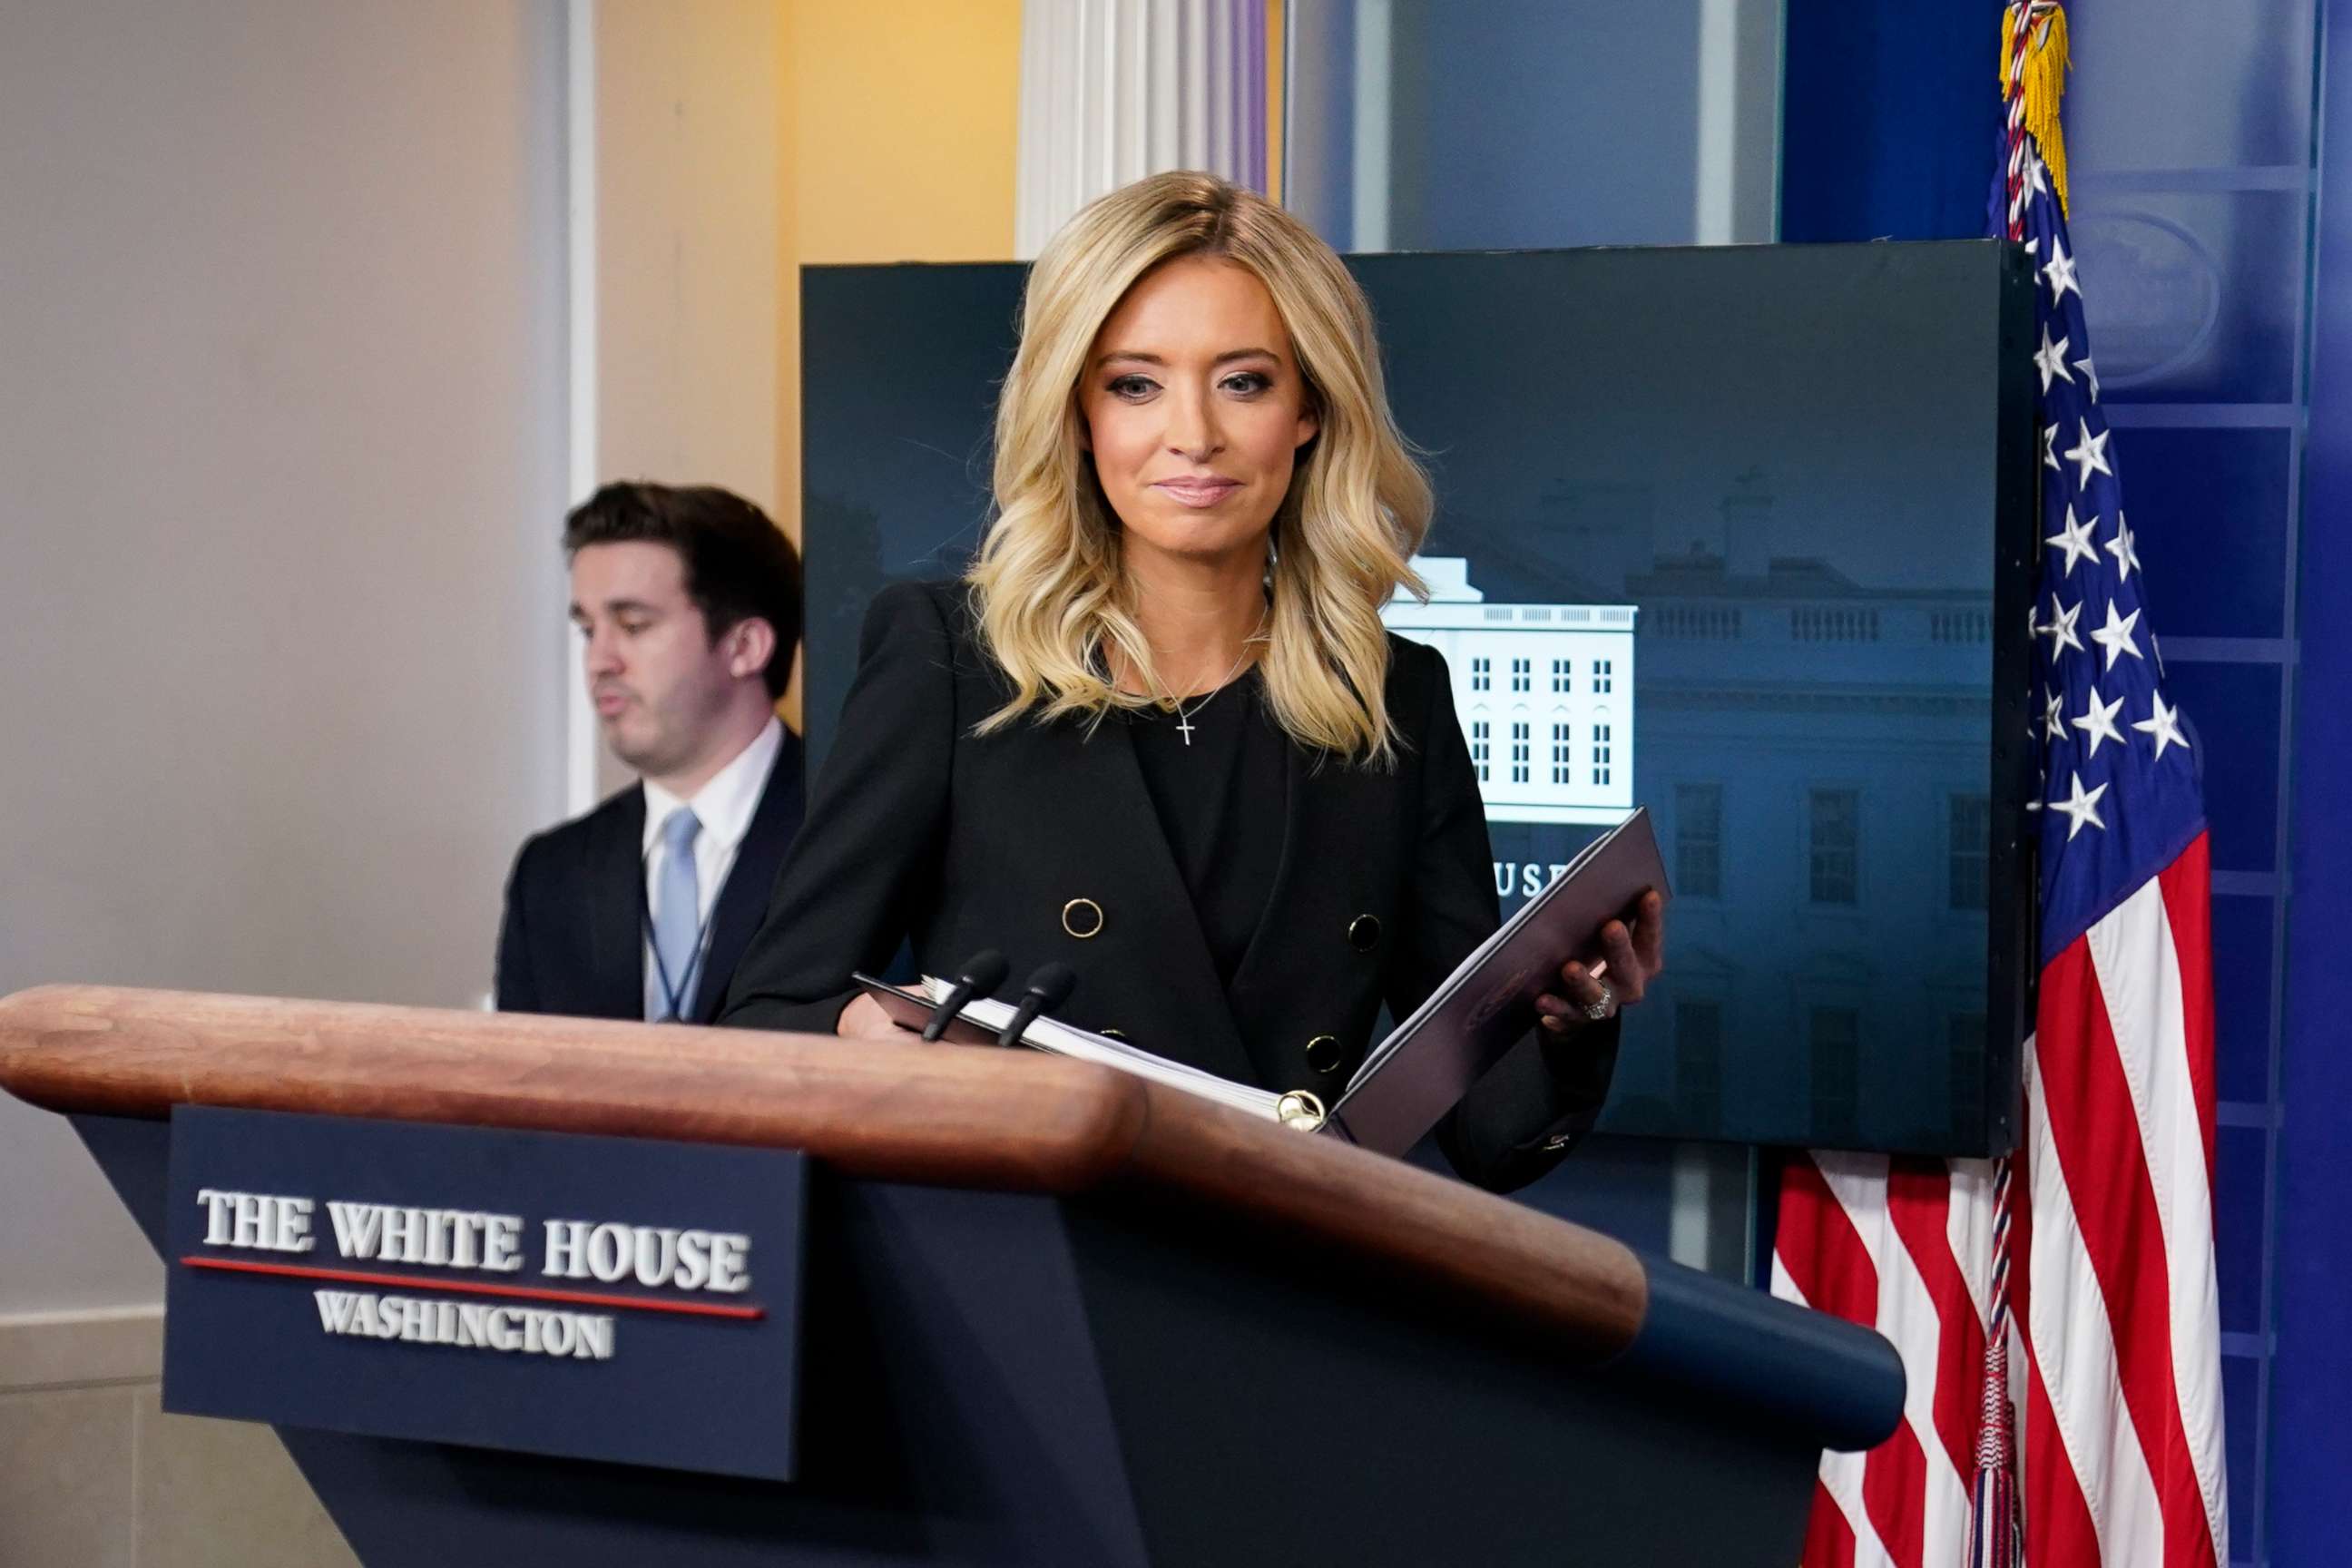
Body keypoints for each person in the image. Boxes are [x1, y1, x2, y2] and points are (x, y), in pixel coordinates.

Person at [720, 172, 1663, 1192]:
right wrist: (877, 1039)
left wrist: (1578, 1018)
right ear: (1078, 413)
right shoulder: (951, 658)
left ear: (1309, 409)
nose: (1194, 434)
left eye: (1244, 381)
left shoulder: (1396, 700)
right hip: (1030, 1275)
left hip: (1277, 1287)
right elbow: (774, 1009)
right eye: (1136, 383)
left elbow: (1494, 1136)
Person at [496, 482, 807, 1024]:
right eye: (588, 629)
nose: (599, 660)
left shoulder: (852, 834)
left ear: (745, 646)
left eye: (633, 625)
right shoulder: (550, 874)